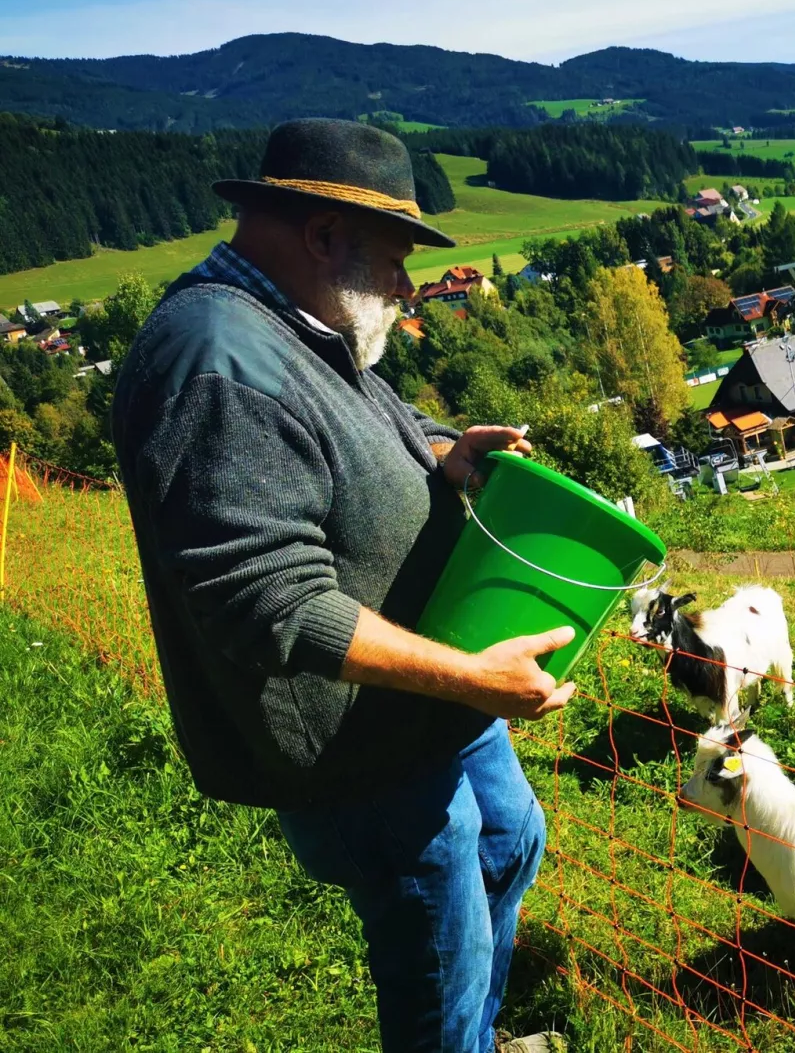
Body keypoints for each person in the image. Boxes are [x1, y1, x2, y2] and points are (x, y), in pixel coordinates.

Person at [111, 119, 570, 1053]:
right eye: (398, 260)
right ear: (324, 237)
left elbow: (361, 437)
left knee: (505, 845)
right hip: (357, 747)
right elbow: (266, 599)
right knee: (434, 952)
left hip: (423, 704)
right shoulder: (219, 363)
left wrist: (444, 451)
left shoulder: (302, 325)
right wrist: (476, 680)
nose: (409, 286)